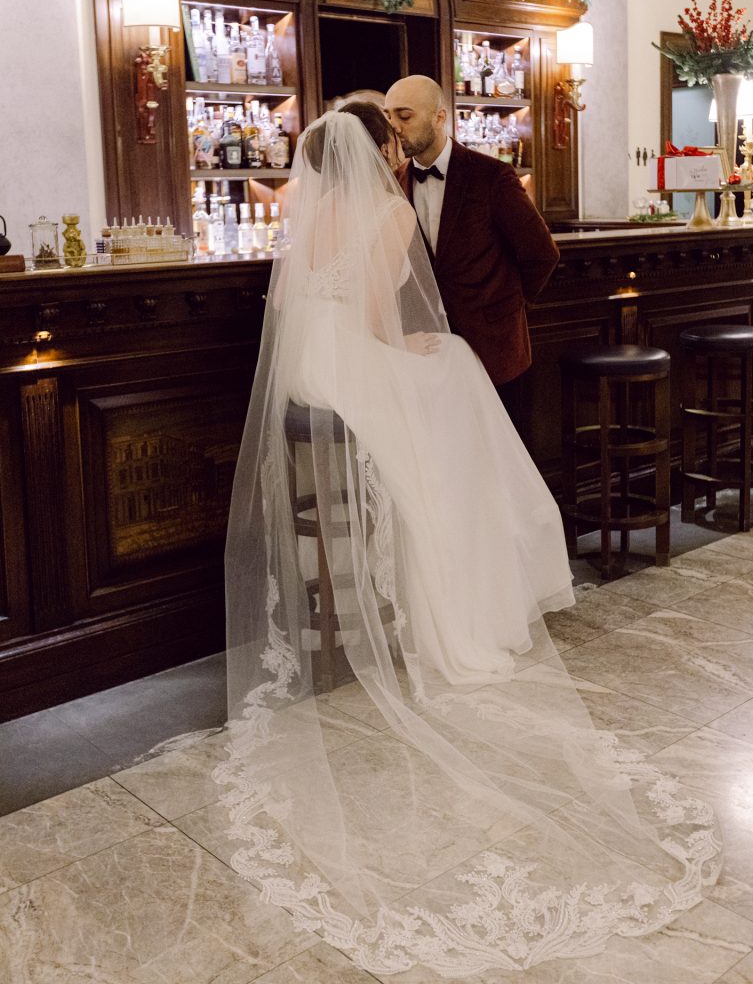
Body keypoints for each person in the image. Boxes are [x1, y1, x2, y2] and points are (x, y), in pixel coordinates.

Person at [216, 108, 721, 978]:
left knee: (447, 369)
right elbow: (379, 318)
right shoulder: (390, 209)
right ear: (380, 149)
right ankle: (470, 576)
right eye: (391, 136)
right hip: (350, 364)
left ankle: (446, 533)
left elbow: (317, 305)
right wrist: (415, 344)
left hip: (308, 366)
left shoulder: (309, 203)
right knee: (451, 373)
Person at [384, 75, 559, 411]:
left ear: (439, 116)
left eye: (404, 117)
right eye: (388, 117)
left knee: (504, 457)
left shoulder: (492, 176)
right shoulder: (394, 183)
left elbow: (541, 254)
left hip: (493, 348)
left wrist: (507, 306)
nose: (394, 127)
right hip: (430, 352)